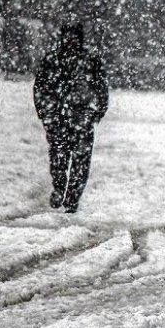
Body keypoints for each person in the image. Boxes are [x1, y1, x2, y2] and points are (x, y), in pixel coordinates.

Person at [33, 23, 108, 213]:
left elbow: (101, 89)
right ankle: (59, 189)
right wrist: (45, 113)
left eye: (75, 37)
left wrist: (95, 113)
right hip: (58, 119)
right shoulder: (53, 60)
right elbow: (40, 88)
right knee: (59, 158)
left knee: (80, 162)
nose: (71, 41)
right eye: (69, 37)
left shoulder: (90, 60)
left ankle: (72, 199)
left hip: (81, 118)